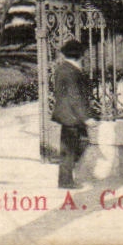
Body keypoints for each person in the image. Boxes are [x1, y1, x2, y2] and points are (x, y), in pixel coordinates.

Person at [51, 37, 94, 188]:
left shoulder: (65, 68)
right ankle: (66, 181)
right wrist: (86, 118)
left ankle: (67, 177)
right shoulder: (70, 71)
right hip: (72, 116)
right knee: (70, 149)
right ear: (80, 55)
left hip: (68, 114)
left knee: (75, 145)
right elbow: (75, 97)